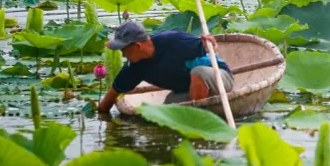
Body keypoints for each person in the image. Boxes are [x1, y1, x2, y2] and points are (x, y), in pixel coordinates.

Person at [96, 21, 234, 114]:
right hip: (187, 92)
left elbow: (207, 46)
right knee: (166, 111)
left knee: (198, 72)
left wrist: (210, 42)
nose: (122, 53)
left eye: (123, 49)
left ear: (137, 46)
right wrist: (102, 116)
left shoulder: (174, 41)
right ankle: (194, 113)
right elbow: (111, 97)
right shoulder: (134, 67)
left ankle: (198, 119)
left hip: (219, 79)